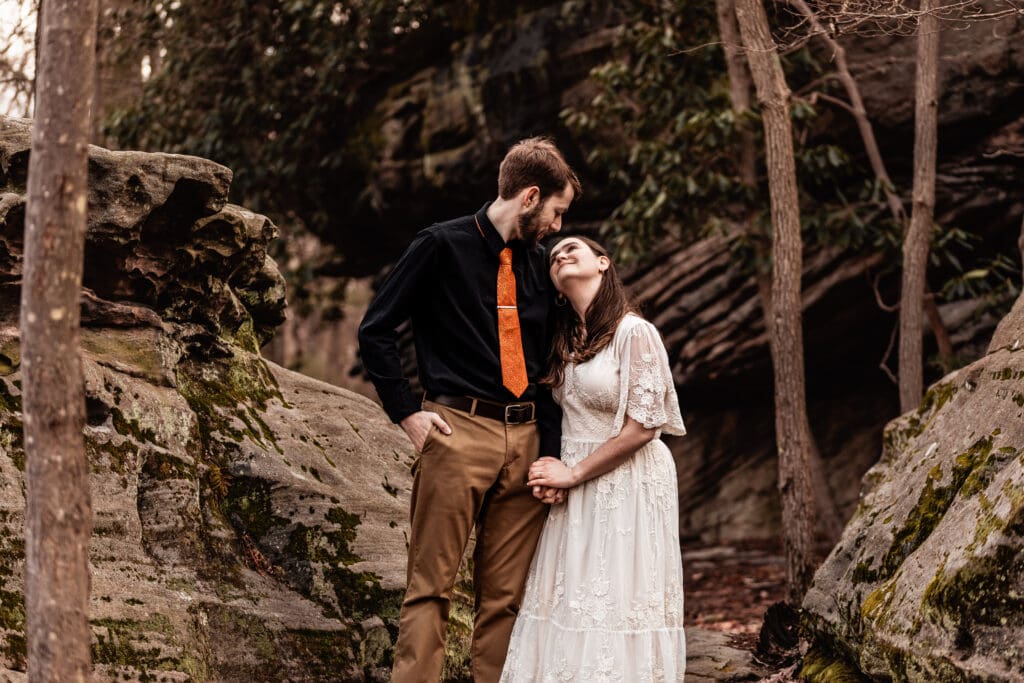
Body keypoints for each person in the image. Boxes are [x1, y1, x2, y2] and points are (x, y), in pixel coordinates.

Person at [357, 137, 582, 682]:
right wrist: (408, 411)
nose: (557, 226)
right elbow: (376, 329)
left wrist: (548, 455)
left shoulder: (538, 269)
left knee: (504, 599)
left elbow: (550, 368)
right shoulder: (440, 245)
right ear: (530, 197)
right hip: (456, 432)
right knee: (430, 589)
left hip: (526, 441)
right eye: (556, 211)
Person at [500, 235, 687, 681]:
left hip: (629, 481)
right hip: (575, 484)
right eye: (554, 257)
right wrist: (552, 471)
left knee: (619, 599)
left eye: (573, 248)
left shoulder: (634, 332)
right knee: (574, 597)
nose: (561, 255)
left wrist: (574, 473)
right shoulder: (564, 340)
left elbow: (644, 426)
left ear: (603, 263)